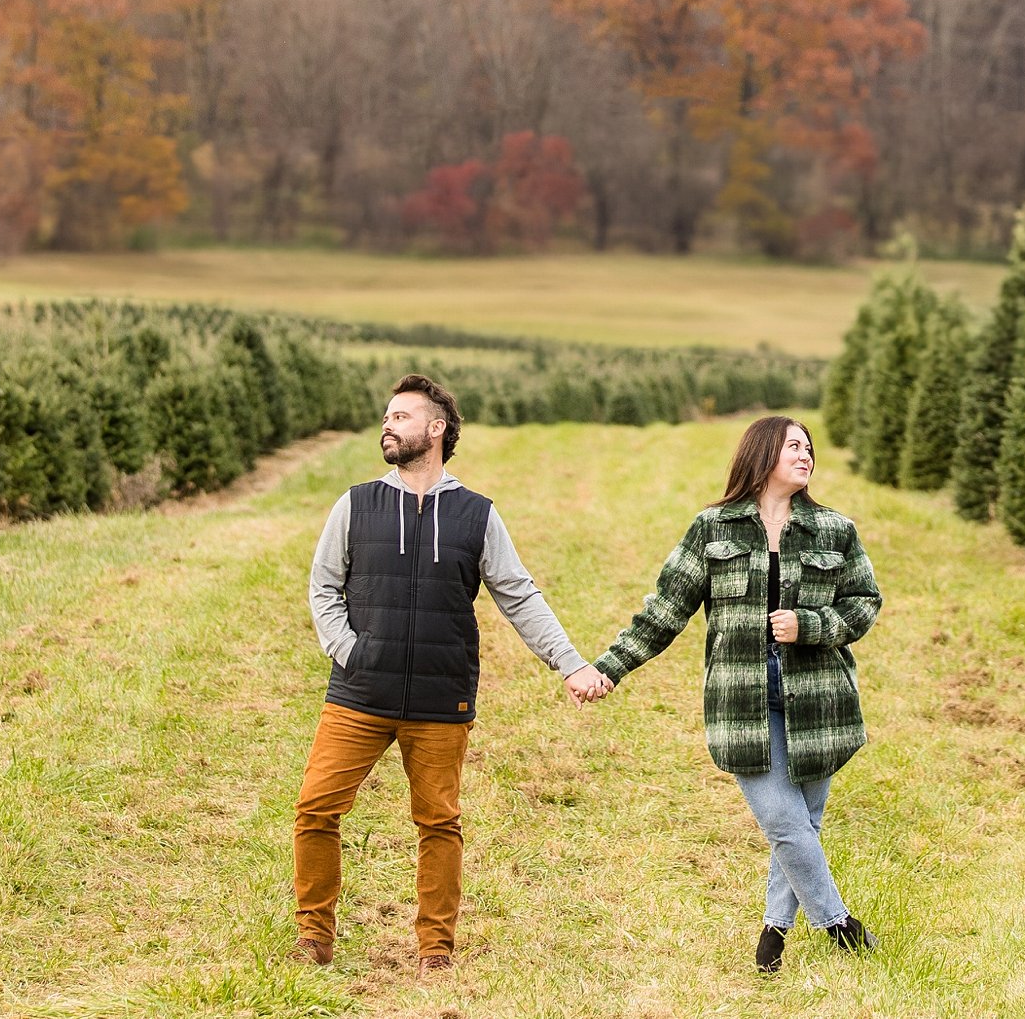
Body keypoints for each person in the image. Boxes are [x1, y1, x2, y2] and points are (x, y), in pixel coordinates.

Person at [293, 374, 611, 971]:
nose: (388, 425)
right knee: (316, 808)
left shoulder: (477, 515)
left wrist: (569, 663)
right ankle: (315, 936)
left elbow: (518, 594)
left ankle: (435, 948)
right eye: (386, 416)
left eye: (402, 416)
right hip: (360, 691)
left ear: (436, 430)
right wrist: (347, 649)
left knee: (439, 821)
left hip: (441, 698)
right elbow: (324, 585)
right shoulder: (356, 503)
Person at [582, 414, 882, 973]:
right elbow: (664, 611)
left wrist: (811, 625)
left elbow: (865, 601)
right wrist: (609, 668)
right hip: (741, 705)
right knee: (785, 823)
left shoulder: (834, 530)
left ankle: (773, 933)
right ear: (763, 453)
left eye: (810, 447)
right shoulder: (713, 529)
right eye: (794, 445)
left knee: (803, 827)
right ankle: (838, 923)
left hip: (820, 702)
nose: (806, 454)